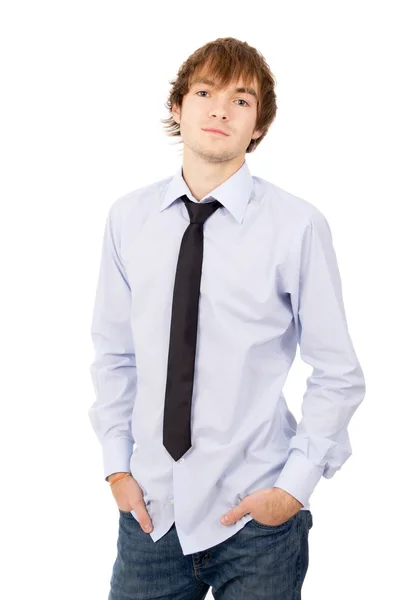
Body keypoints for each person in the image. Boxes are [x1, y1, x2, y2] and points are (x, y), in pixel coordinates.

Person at [88, 36, 366, 600]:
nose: (220, 109)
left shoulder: (297, 227)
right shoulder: (128, 219)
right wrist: (117, 470)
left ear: (258, 125)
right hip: (152, 515)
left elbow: (337, 371)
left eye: (241, 99)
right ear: (177, 107)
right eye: (204, 91)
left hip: (256, 519)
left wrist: (293, 488)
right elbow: (116, 356)